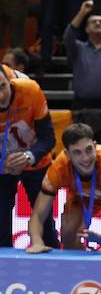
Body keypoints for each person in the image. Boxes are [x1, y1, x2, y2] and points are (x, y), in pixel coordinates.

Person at [25, 123, 101, 253]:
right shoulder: (58, 168)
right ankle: (81, 269)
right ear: (67, 154)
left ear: (95, 146)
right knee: (68, 230)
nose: (85, 158)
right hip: (87, 193)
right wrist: (37, 243)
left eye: (89, 150)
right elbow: (37, 216)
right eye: (77, 152)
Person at [0, 68, 56, 249]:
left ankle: (54, 267)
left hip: (36, 161)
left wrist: (29, 156)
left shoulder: (31, 90)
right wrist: (2, 165)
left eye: (3, 86)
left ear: (9, 80)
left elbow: (48, 138)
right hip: (4, 167)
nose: (1, 95)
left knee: (45, 221)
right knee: (1, 222)